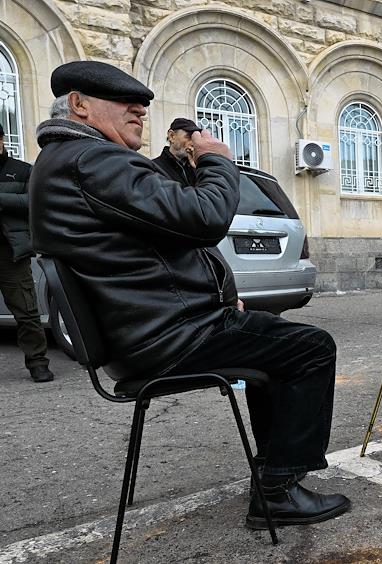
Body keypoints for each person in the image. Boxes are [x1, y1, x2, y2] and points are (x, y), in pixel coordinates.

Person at [28, 61, 350, 527]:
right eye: (124, 104)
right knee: (312, 348)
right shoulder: (91, 160)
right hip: (167, 339)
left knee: (275, 343)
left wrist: (221, 299)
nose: (138, 110)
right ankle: (279, 490)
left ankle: (277, 481)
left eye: (140, 106)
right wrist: (218, 159)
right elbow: (203, 218)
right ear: (78, 105)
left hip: (146, 333)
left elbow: (159, 244)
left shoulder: (69, 162)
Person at [0, 125, 56, 383]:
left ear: (1, 140)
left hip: (11, 254)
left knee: (27, 312)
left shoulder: (22, 170)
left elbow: (34, 203)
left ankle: (38, 363)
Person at [151, 118, 202, 187]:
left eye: (195, 138)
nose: (193, 143)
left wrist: (199, 169)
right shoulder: (153, 168)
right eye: (189, 137)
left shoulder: (195, 166)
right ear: (171, 136)